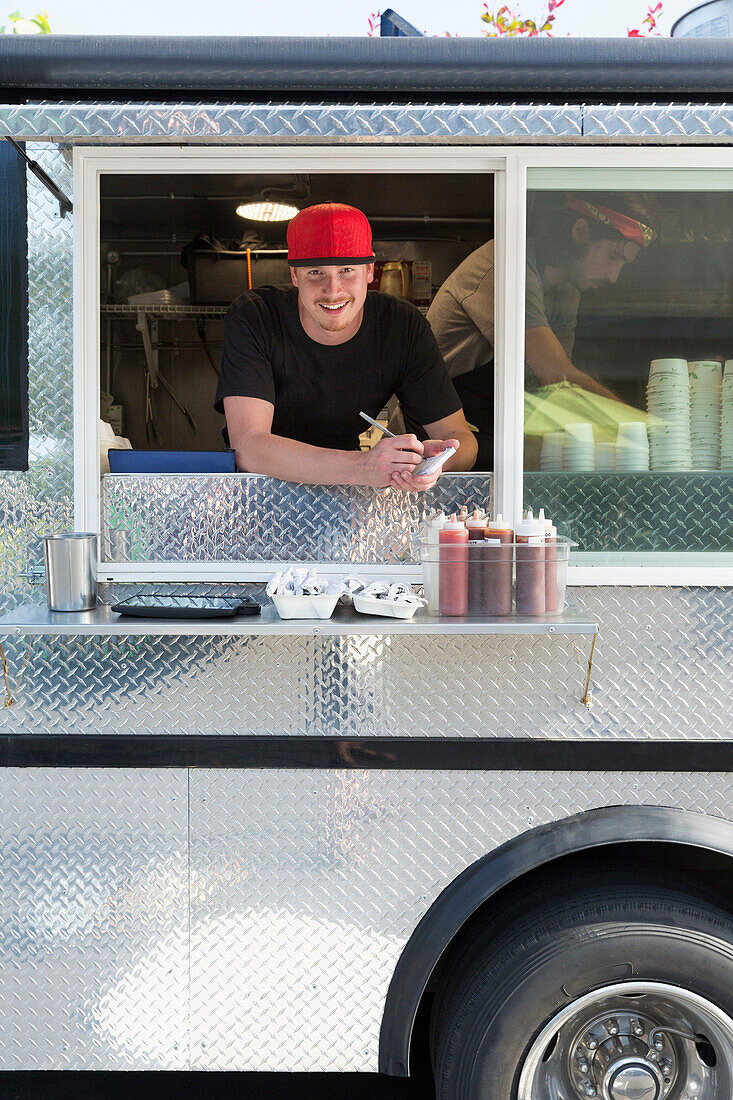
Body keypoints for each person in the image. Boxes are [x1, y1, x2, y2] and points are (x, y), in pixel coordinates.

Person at [215, 202, 477, 491]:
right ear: (294, 276)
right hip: (257, 490)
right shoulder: (256, 316)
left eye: (347, 270)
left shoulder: (401, 326)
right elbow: (249, 447)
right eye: (315, 272)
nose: (333, 290)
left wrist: (432, 463)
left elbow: (462, 441)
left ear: (369, 271)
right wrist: (364, 467)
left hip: (348, 495)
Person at [426, 192, 659, 468]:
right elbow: (557, 375)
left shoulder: (568, 288)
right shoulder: (506, 267)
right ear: (581, 231)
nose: (613, 276)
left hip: (491, 431)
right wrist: (643, 428)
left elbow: (556, 391)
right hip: (439, 437)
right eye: (612, 256)